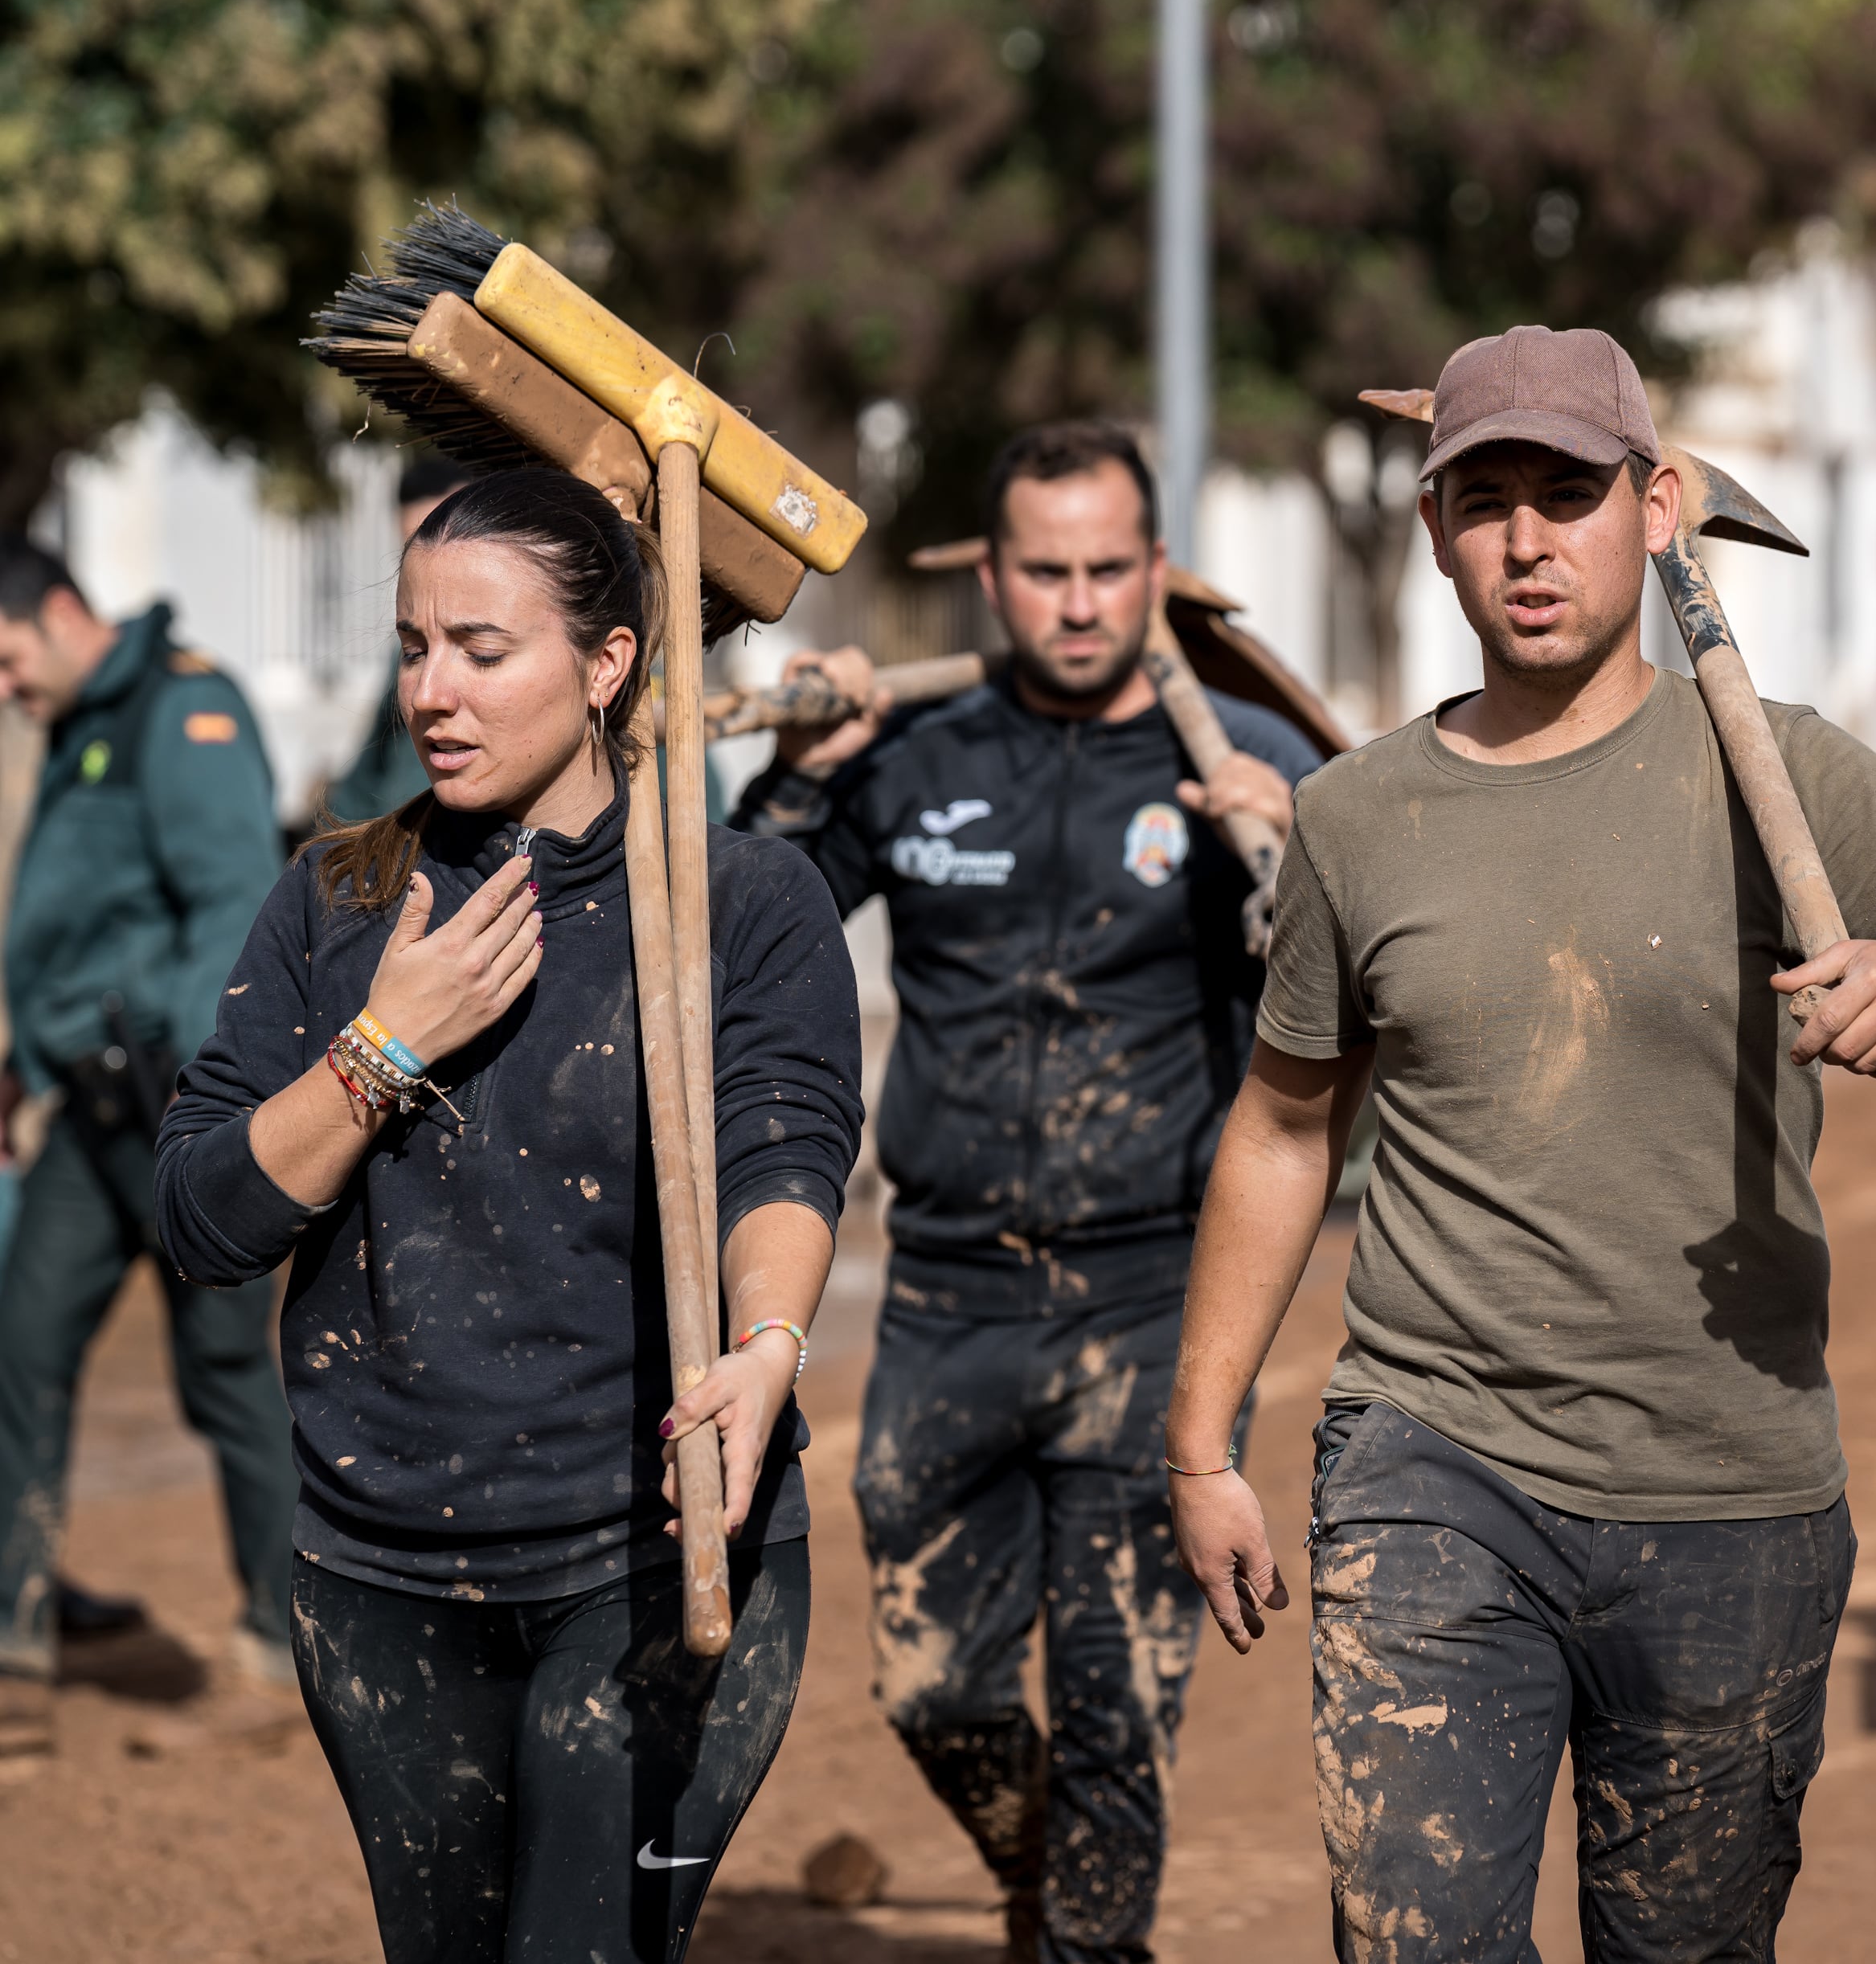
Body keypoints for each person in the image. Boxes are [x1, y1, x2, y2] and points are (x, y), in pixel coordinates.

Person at [1161, 325, 1876, 1962]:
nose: (1528, 541)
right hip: (1431, 1458)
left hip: (1730, 1488)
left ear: (1655, 505)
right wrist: (1200, 1438)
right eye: (1486, 500)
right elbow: (1283, 1121)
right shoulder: (1356, 817)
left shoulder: (1791, 772)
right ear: (1434, 525)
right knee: (1412, 1939)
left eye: (1570, 492)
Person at [154, 469, 863, 1962]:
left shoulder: (743, 901)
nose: (433, 691)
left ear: (609, 665)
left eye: (484, 650)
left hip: (651, 1556)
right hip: (380, 1568)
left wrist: (767, 1348)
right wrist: (379, 1050)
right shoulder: (340, 902)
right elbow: (205, 1221)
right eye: (415, 647)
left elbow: (784, 1162)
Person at [735, 421, 1317, 1964]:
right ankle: (1054, 1879)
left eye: (1108, 570)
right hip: (945, 1298)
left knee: (1126, 1709)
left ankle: (1084, 1943)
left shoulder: (1246, 769)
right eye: (1044, 572)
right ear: (991, 579)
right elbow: (742, 931)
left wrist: (1298, 867)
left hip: (1154, 1307)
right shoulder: (914, 754)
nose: (1077, 603)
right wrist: (796, 786)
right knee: (937, 1690)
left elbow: (1380, 1016)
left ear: (1158, 574)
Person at [0, 537, 293, 1753]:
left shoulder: (185, 708)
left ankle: (281, 1653)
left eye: (8, 655)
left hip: (178, 1110)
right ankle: (13, 1638)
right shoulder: (85, 718)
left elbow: (232, 901)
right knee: (23, 1345)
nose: (4, 684)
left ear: (62, 614)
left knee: (227, 1376)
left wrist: (209, 1097)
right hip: (83, 1108)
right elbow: (81, 921)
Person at [321, 450, 476, 828]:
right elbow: (366, 775)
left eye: (486, 656)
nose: (427, 697)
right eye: (414, 546)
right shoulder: (403, 652)